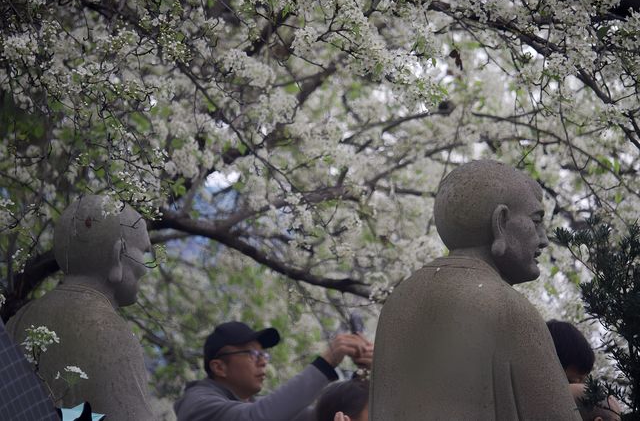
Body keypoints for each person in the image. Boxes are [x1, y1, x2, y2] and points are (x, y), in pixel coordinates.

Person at [370, 160, 581, 420]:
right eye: (535, 220)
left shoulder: (399, 301)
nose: (544, 239)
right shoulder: (506, 307)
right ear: (500, 222)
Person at [7, 195, 155, 420]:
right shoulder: (109, 332)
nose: (145, 267)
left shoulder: (19, 319)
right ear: (117, 254)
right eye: (143, 252)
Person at [174, 321, 373, 421]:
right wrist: (326, 361)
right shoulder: (198, 404)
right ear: (219, 367)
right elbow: (258, 418)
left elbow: (321, 414)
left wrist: (367, 375)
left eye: (264, 355)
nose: (262, 363)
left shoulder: (250, 403)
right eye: (252, 354)